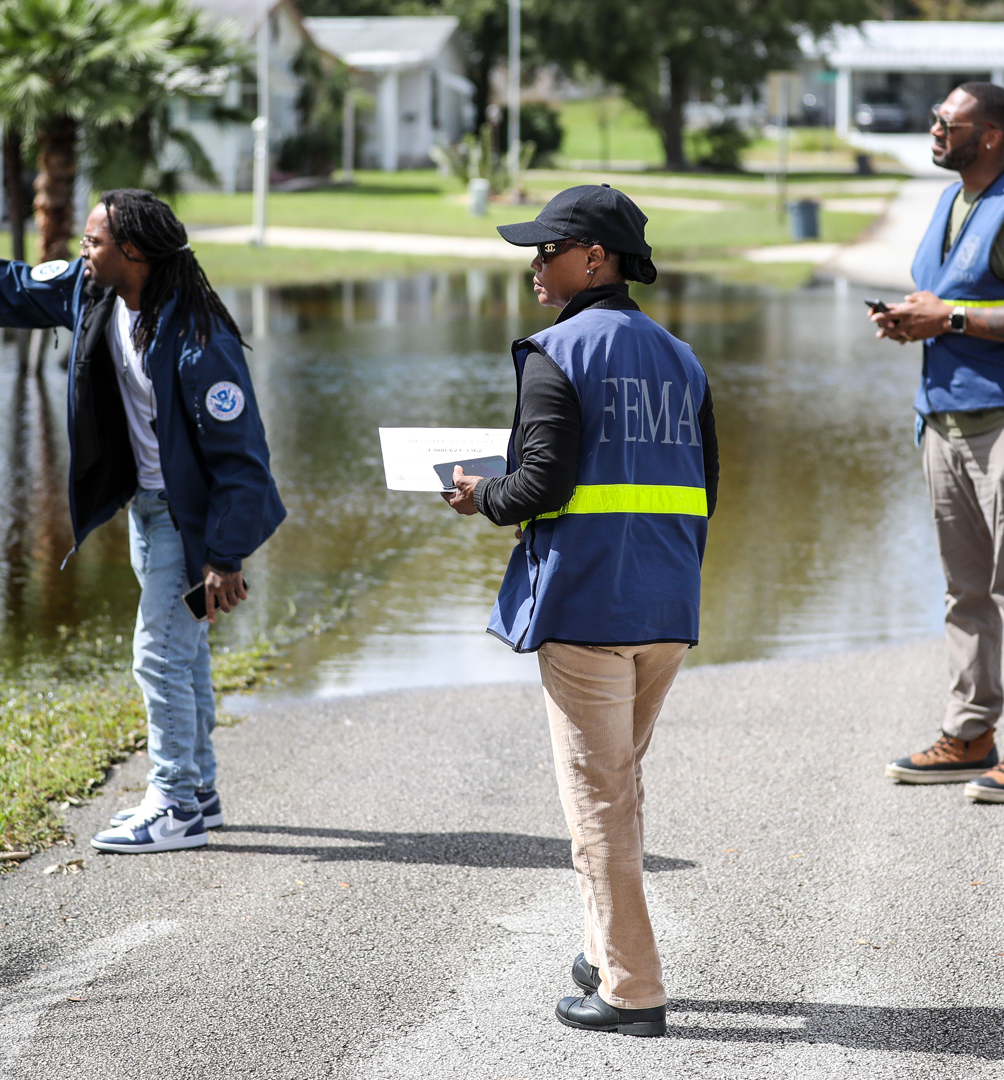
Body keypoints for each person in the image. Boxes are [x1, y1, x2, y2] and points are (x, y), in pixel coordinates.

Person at [0, 189, 285, 852]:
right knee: (183, 654)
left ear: (133, 252)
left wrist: (224, 556)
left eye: (94, 242)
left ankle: (176, 806)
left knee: (160, 655)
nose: (82, 251)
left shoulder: (200, 338)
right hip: (148, 506)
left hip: (190, 521)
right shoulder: (93, 292)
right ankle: (200, 792)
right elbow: (5, 286)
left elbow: (243, 460)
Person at [444, 185, 717, 1037]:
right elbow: (707, 490)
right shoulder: (683, 358)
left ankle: (632, 991)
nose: (533, 265)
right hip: (666, 606)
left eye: (546, 249)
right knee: (619, 785)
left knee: (597, 802)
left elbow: (539, 486)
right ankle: (603, 947)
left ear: (593, 258)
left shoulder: (554, 351)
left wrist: (478, 493)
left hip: (586, 610)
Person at [870, 82, 1004, 804]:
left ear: (988, 135)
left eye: (945, 121)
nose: (932, 128)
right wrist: (911, 320)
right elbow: (948, 299)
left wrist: (948, 318)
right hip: (945, 422)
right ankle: (970, 732)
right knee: (965, 591)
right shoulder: (950, 200)